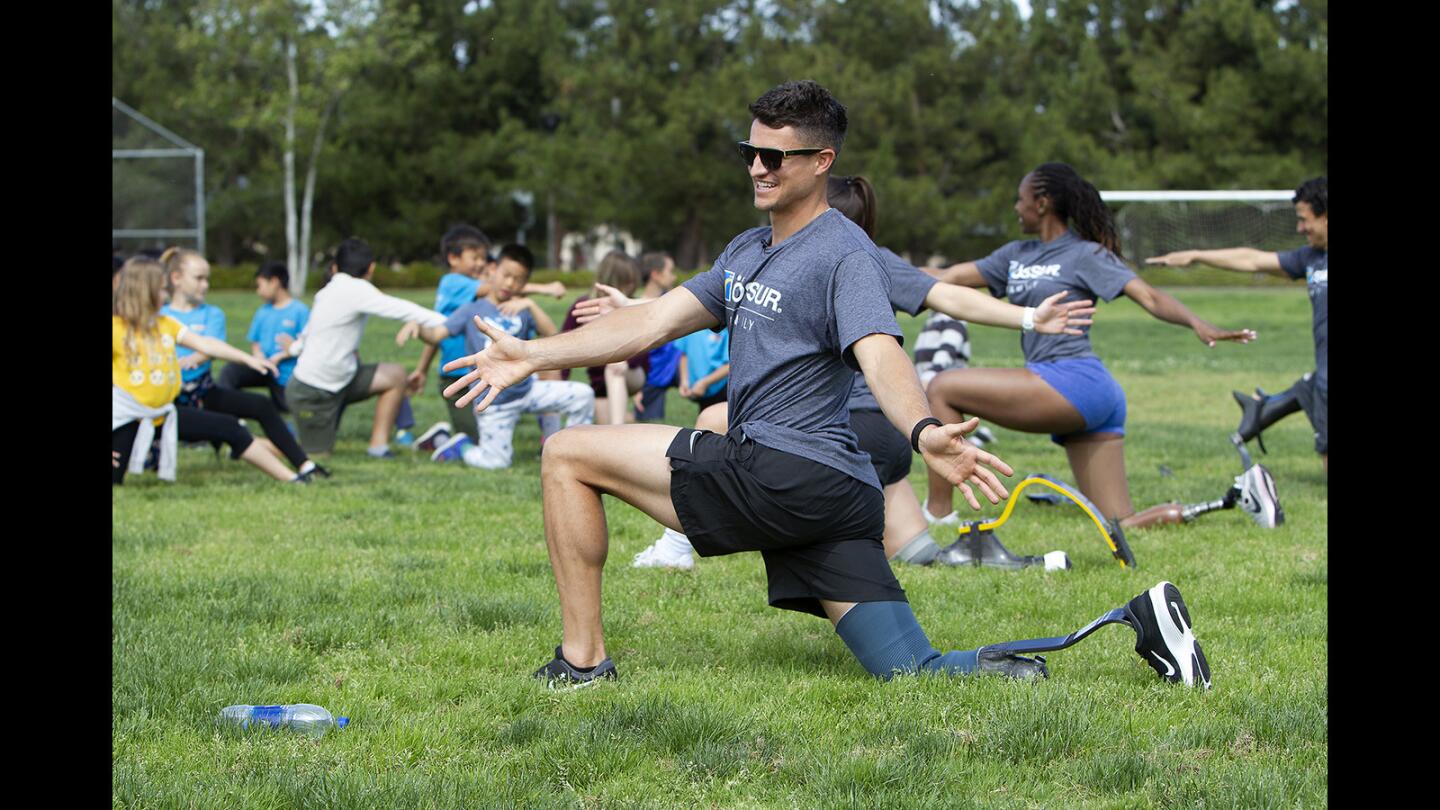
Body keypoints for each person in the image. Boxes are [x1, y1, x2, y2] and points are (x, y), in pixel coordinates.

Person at [445, 80, 1082, 686]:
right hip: (834, 496)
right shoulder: (746, 250)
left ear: (821, 161)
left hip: (783, 472)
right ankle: (1119, 625)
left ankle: (582, 662)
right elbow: (652, 322)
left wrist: (923, 431)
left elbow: (881, 352)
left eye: (775, 156)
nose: (757, 168)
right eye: (751, 153)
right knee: (912, 667)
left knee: (566, 453)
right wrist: (532, 352)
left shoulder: (845, 253)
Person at [625, 174, 1096, 570]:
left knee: (713, 419)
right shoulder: (828, 255)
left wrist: (1030, 317)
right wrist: (634, 309)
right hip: (888, 440)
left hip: (850, 430)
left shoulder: (852, 257)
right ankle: (1038, 561)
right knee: (924, 554)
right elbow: (699, 303)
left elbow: (946, 294)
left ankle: (675, 548)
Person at [922, 162, 1266, 531]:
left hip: (1073, 380)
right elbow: (949, 279)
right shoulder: (1014, 255)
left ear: (1042, 203)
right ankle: (1232, 498)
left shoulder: (1086, 255)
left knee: (943, 387)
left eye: (1019, 200)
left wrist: (1198, 323)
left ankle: (938, 515)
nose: (1015, 208)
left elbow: (1148, 296)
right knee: (1120, 523)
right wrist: (879, 270)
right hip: (1088, 397)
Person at [1146, 177, 1328, 473]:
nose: (1299, 228)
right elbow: (1252, 259)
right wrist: (1196, 255)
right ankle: (1269, 404)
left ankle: (1267, 404)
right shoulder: (1311, 259)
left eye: (1304, 220)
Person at [399, 243, 594, 469]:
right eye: (506, 275)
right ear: (492, 271)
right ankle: (461, 445)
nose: (511, 283)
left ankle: (565, 454)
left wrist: (530, 304)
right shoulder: (471, 309)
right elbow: (435, 335)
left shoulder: (521, 308)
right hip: (493, 401)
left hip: (527, 390)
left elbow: (553, 335)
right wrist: (418, 327)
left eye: (518, 280)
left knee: (583, 395)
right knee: (496, 463)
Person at [112, 257, 303, 485]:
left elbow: (207, 344)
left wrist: (247, 359)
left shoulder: (165, 324)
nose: (165, 295)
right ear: (145, 291)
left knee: (230, 427)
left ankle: (293, 478)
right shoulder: (116, 328)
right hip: (124, 419)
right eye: (162, 290)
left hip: (164, 414)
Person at [160, 248, 328, 481]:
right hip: (168, 398)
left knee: (261, 406)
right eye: (199, 278)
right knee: (228, 427)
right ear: (176, 278)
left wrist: (200, 357)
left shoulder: (213, 313)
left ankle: (305, 465)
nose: (205, 285)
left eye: (207, 278)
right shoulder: (160, 315)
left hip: (203, 391)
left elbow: (211, 346)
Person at [283, 237, 449, 458]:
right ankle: (247, 442)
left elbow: (309, 332)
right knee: (315, 456)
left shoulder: (330, 289)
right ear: (371, 268)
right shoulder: (355, 288)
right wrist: (449, 322)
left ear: (335, 267)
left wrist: (294, 348)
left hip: (343, 381)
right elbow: (398, 308)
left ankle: (378, 446)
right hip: (313, 391)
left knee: (395, 375)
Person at [408, 225, 567, 448]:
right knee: (477, 443)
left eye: (484, 258)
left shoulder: (481, 299)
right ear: (453, 258)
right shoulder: (454, 283)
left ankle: (551, 438)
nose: (482, 263)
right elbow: (439, 332)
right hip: (459, 376)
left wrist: (421, 369)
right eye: (476, 257)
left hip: (488, 371)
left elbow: (439, 329)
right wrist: (545, 288)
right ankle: (442, 439)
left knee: (547, 367)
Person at [560, 251, 649, 425]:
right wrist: (559, 385)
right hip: (600, 386)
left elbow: (643, 350)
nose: (632, 286)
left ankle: (618, 434)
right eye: (627, 282)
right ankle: (625, 424)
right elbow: (564, 343)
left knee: (614, 367)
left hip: (632, 372)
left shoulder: (633, 306)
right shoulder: (583, 306)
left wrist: (625, 361)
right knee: (604, 429)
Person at [217, 261, 308, 413]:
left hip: (286, 371)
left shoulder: (300, 310)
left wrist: (282, 355)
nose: (258, 291)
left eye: (260, 285)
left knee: (288, 409)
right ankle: (229, 409)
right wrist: (259, 357)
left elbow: (306, 343)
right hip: (263, 366)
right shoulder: (263, 311)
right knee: (230, 371)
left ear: (274, 282)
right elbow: (255, 341)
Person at [633, 251, 683, 422]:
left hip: (677, 365)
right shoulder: (635, 307)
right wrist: (638, 387)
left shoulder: (674, 301)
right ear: (655, 274)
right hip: (653, 374)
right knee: (644, 423)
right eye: (670, 271)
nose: (674, 277)